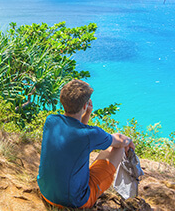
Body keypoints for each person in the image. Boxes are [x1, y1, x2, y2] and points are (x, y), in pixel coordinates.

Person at [37, 79, 135, 209]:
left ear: (62, 101)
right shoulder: (91, 134)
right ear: (84, 105)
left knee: (103, 149)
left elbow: (76, 134)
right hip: (75, 201)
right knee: (119, 148)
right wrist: (129, 142)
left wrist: (86, 114)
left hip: (47, 192)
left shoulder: (51, 121)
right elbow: (120, 140)